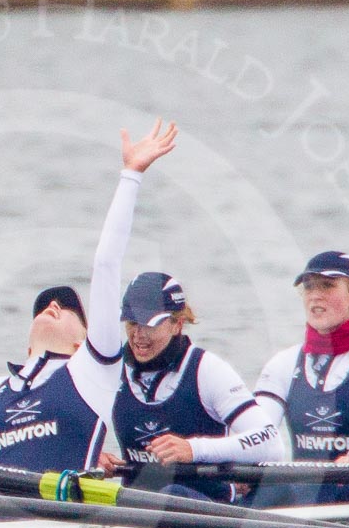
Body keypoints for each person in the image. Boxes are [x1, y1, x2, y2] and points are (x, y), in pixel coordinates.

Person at [76, 120, 285, 503]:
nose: (138, 335)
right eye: (132, 324)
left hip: (206, 513)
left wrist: (194, 449)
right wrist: (96, 460)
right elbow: (104, 266)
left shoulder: (206, 371)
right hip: (138, 514)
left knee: (170, 491)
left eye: (151, 326)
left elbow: (270, 442)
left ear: (176, 323)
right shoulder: (112, 370)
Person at [251, 250, 349, 506]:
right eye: (309, 287)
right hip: (303, 494)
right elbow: (257, 431)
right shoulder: (282, 364)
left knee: (323, 487)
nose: (315, 295)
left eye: (327, 286)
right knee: (264, 492)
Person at [0, 285, 109, 473]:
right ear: (29, 349)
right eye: (41, 310)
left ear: (81, 345)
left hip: (60, 502)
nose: (53, 305)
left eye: (67, 309)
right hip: (4, 501)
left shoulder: (88, 377)